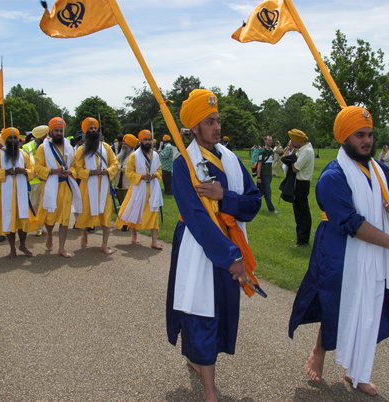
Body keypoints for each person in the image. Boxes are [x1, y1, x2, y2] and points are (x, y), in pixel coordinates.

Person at [288, 106, 389, 396]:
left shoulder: (380, 170)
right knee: (337, 305)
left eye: (370, 134)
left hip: (376, 251)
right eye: (360, 135)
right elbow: (351, 223)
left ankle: (358, 372)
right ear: (344, 138)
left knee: (370, 308)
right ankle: (319, 350)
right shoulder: (332, 177)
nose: (367, 141)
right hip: (340, 249)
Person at [166, 89, 261, 402]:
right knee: (201, 310)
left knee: (220, 309)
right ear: (194, 128)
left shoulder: (231, 159)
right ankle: (209, 390)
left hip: (230, 243)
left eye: (218, 120)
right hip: (198, 246)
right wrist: (230, 257)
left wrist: (225, 198)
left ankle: (198, 361)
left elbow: (253, 203)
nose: (217, 127)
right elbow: (196, 218)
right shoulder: (184, 165)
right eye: (209, 122)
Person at [35, 117, 82, 258]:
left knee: (65, 219)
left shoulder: (68, 146)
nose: (59, 133)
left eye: (61, 131)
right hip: (50, 186)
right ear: (51, 131)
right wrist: (52, 171)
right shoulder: (43, 148)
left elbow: (75, 166)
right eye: (56, 130)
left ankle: (61, 248)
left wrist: (70, 172)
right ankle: (49, 234)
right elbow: (37, 168)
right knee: (50, 218)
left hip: (66, 186)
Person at [0, 127, 38, 258]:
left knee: (23, 220)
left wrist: (25, 172)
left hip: (22, 194)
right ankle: (12, 249)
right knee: (8, 220)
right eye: (10, 138)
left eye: (15, 138)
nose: (13, 140)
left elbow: (33, 169)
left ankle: (22, 245)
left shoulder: (23, 154)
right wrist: (5, 172)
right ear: (5, 139)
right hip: (6, 194)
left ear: (18, 140)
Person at [74, 117, 118, 254]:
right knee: (86, 214)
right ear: (85, 132)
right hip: (87, 187)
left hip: (104, 186)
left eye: (95, 128)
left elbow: (114, 163)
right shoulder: (81, 150)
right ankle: (84, 235)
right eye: (90, 129)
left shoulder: (106, 147)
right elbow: (76, 169)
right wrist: (90, 172)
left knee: (106, 215)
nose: (93, 130)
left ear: (98, 130)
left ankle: (104, 245)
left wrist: (107, 171)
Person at [115, 129, 163, 249]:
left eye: (149, 139)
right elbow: (129, 172)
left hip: (153, 187)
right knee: (135, 211)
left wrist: (154, 175)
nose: (147, 142)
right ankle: (134, 236)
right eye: (145, 140)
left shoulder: (155, 155)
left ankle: (154, 241)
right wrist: (141, 176)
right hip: (138, 187)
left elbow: (159, 170)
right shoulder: (134, 156)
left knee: (154, 213)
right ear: (140, 140)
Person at [288, 129, 315, 246]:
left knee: (302, 212)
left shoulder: (306, 151)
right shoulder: (304, 149)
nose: (292, 142)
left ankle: (303, 240)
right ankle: (300, 238)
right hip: (300, 183)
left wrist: (291, 157)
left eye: (293, 140)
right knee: (299, 211)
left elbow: (295, 168)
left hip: (301, 183)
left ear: (299, 140)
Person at [23, 125, 49, 237]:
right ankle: (37, 225)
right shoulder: (27, 147)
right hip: (33, 181)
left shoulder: (48, 146)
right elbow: (26, 163)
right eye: (45, 136)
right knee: (34, 204)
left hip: (47, 179)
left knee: (45, 204)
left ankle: (41, 226)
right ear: (40, 137)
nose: (47, 138)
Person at [256, 135, 276, 213]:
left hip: (269, 175)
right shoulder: (262, 151)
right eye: (269, 140)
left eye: (271, 140)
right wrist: (258, 177)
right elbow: (259, 165)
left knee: (261, 192)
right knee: (268, 192)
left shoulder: (271, 151)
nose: (270, 142)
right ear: (265, 141)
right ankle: (271, 209)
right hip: (263, 175)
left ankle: (252, 203)